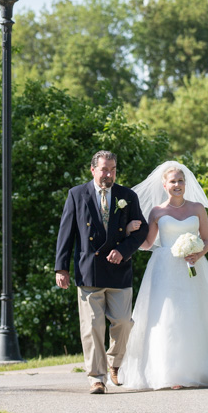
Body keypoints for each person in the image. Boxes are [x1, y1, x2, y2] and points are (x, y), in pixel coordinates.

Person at [118, 161, 208, 391]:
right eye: (172, 181)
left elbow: (207, 240)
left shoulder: (197, 208)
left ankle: (197, 369)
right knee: (168, 318)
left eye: (180, 181)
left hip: (193, 268)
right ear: (164, 184)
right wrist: (130, 233)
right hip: (164, 269)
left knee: (194, 314)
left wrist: (198, 254)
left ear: (185, 183)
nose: (177, 185)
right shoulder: (157, 212)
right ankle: (171, 373)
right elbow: (149, 243)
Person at [55, 150, 148, 394]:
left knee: (123, 323)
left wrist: (124, 249)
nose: (109, 174)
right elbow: (66, 233)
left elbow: (142, 230)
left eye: (113, 169)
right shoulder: (76, 194)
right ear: (93, 170)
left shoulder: (127, 195)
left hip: (119, 270)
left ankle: (114, 363)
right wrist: (61, 268)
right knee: (93, 326)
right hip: (89, 271)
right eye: (104, 169)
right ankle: (96, 377)